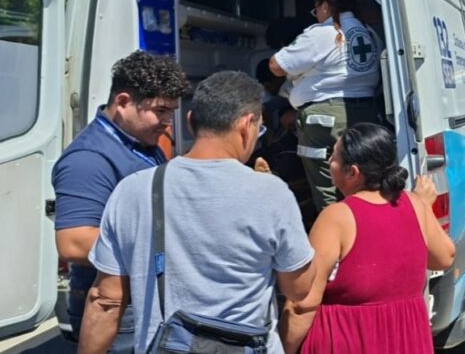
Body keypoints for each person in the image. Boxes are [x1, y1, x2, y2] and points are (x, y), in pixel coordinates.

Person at [78, 71, 317, 353]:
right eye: (259, 129)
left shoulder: (133, 190)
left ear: (191, 121)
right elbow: (298, 289)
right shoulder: (271, 193)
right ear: (246, 124)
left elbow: (106, 300)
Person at [52, 51, 189, 351]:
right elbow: (73, 242)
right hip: (114, 309)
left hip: (139, 299)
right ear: (124, 102)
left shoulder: (141, 143)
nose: (167, 122)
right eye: (161, 111)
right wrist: (175, 245)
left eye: (172, 112)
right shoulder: (88, 159)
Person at [286, 123, 455, 353]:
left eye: (333, 156)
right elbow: (444, 257)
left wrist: (282, 347)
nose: (328, 162)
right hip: (405, 339)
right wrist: (424, 209)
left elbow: (302, 304)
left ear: (353, 172)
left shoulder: (336, 217)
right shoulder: (414, 204)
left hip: (349, 338)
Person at [269, 0, 383, 212]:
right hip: (366, 115)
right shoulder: (370, 34)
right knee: (364, 183)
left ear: (326, 6)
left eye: (316, 10)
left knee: (326, 191)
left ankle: (336, 237)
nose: (317, 15)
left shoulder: (324, 33)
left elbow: (276, 66)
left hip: (323, 122)